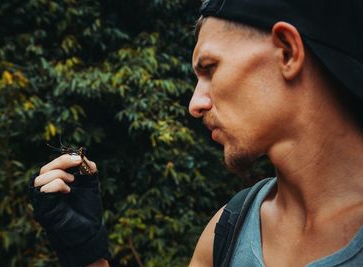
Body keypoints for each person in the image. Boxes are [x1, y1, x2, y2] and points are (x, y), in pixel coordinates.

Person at [29, 0, 363, 266]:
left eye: (210, 69)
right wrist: (88, 256)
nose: (195, 104)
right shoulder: (229, 229)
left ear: (287, 51)